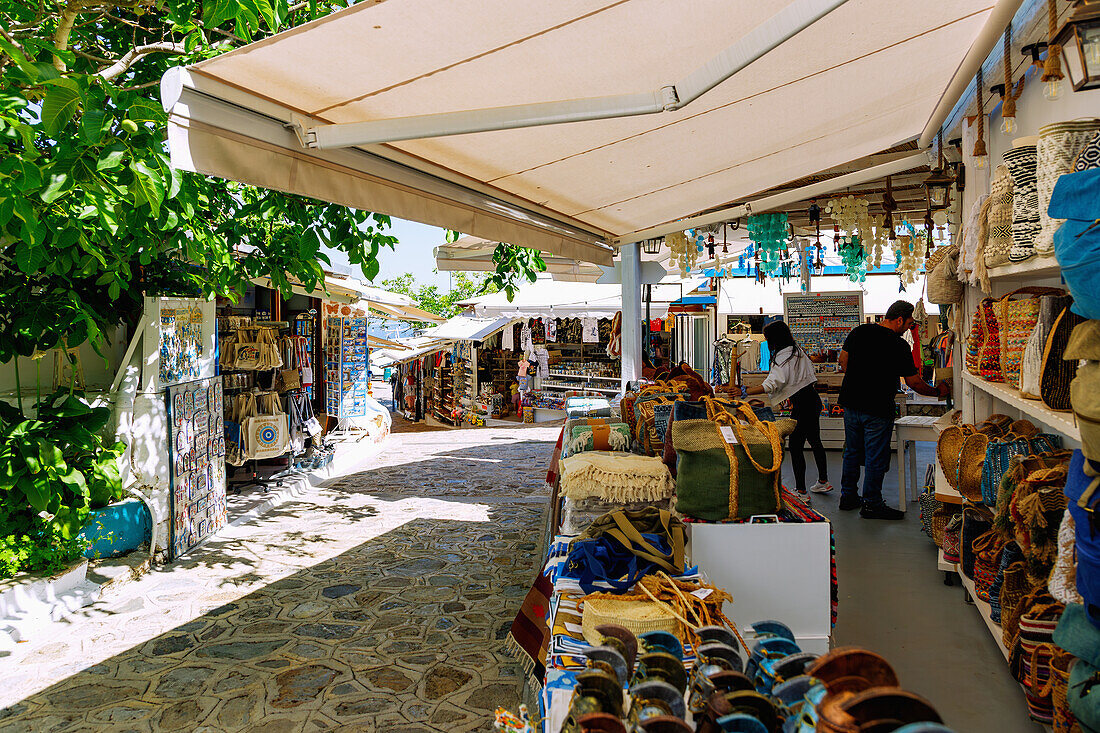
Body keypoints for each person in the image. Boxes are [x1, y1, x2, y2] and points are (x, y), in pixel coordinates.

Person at [838, 300, 950, 520]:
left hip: (851, 402)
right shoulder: (899, 346)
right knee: (875, 456)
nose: (909, 328)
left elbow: (843, 362)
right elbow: (915, 383)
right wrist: (939, 392)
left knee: (851, 452)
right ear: (899, 319)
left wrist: (861, 377)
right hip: (877, 407)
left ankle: (848, 497)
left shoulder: (859, 331)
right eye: (909, 324)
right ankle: (871, 504)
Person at [740, 321, 830, 504]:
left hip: (803, 405)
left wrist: (746, 391)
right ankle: (823, 481)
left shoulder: (783, 356)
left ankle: (802, 492)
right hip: (812, 400)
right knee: (815, 440)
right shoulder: (797, 351)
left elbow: (773, 383)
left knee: (796, 446)